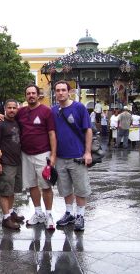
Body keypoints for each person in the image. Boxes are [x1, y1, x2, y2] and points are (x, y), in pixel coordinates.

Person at [52, 80, 92, 231]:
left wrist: (87, 152)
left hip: (77, 156)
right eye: (58, 90)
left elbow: (88, 130)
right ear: (55, 93)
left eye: (63, 90)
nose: (61, 92)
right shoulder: (53, 110)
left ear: (69, 92)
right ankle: (69, 213)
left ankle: (80, 216)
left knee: (81, 188)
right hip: (61, 157)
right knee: (65, 188)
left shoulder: (79, 107)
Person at [15, 85, 57, 230]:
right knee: (31, 185)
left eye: (33, 93)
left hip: (42, 153)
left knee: (46, 186)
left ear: (38, 95)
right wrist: (1, 116)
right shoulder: (21, 112)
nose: (31, 95)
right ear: (25, 96)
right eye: (28, 93)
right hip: (26, 154)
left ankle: (49, 215)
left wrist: (53, 154)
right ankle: (38, 213)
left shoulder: (46, 111)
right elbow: (9, 117)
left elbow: (52, 134)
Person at [0, 99, 24, 230]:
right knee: (5, 192)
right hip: (6, 163)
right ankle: (6, 219)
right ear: (5, 108)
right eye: (9, 108)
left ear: (17, 109)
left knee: (12, 191)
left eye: (14, 108)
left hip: (17, 162)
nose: (11, 110)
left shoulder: (17, 122)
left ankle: (11, 213)